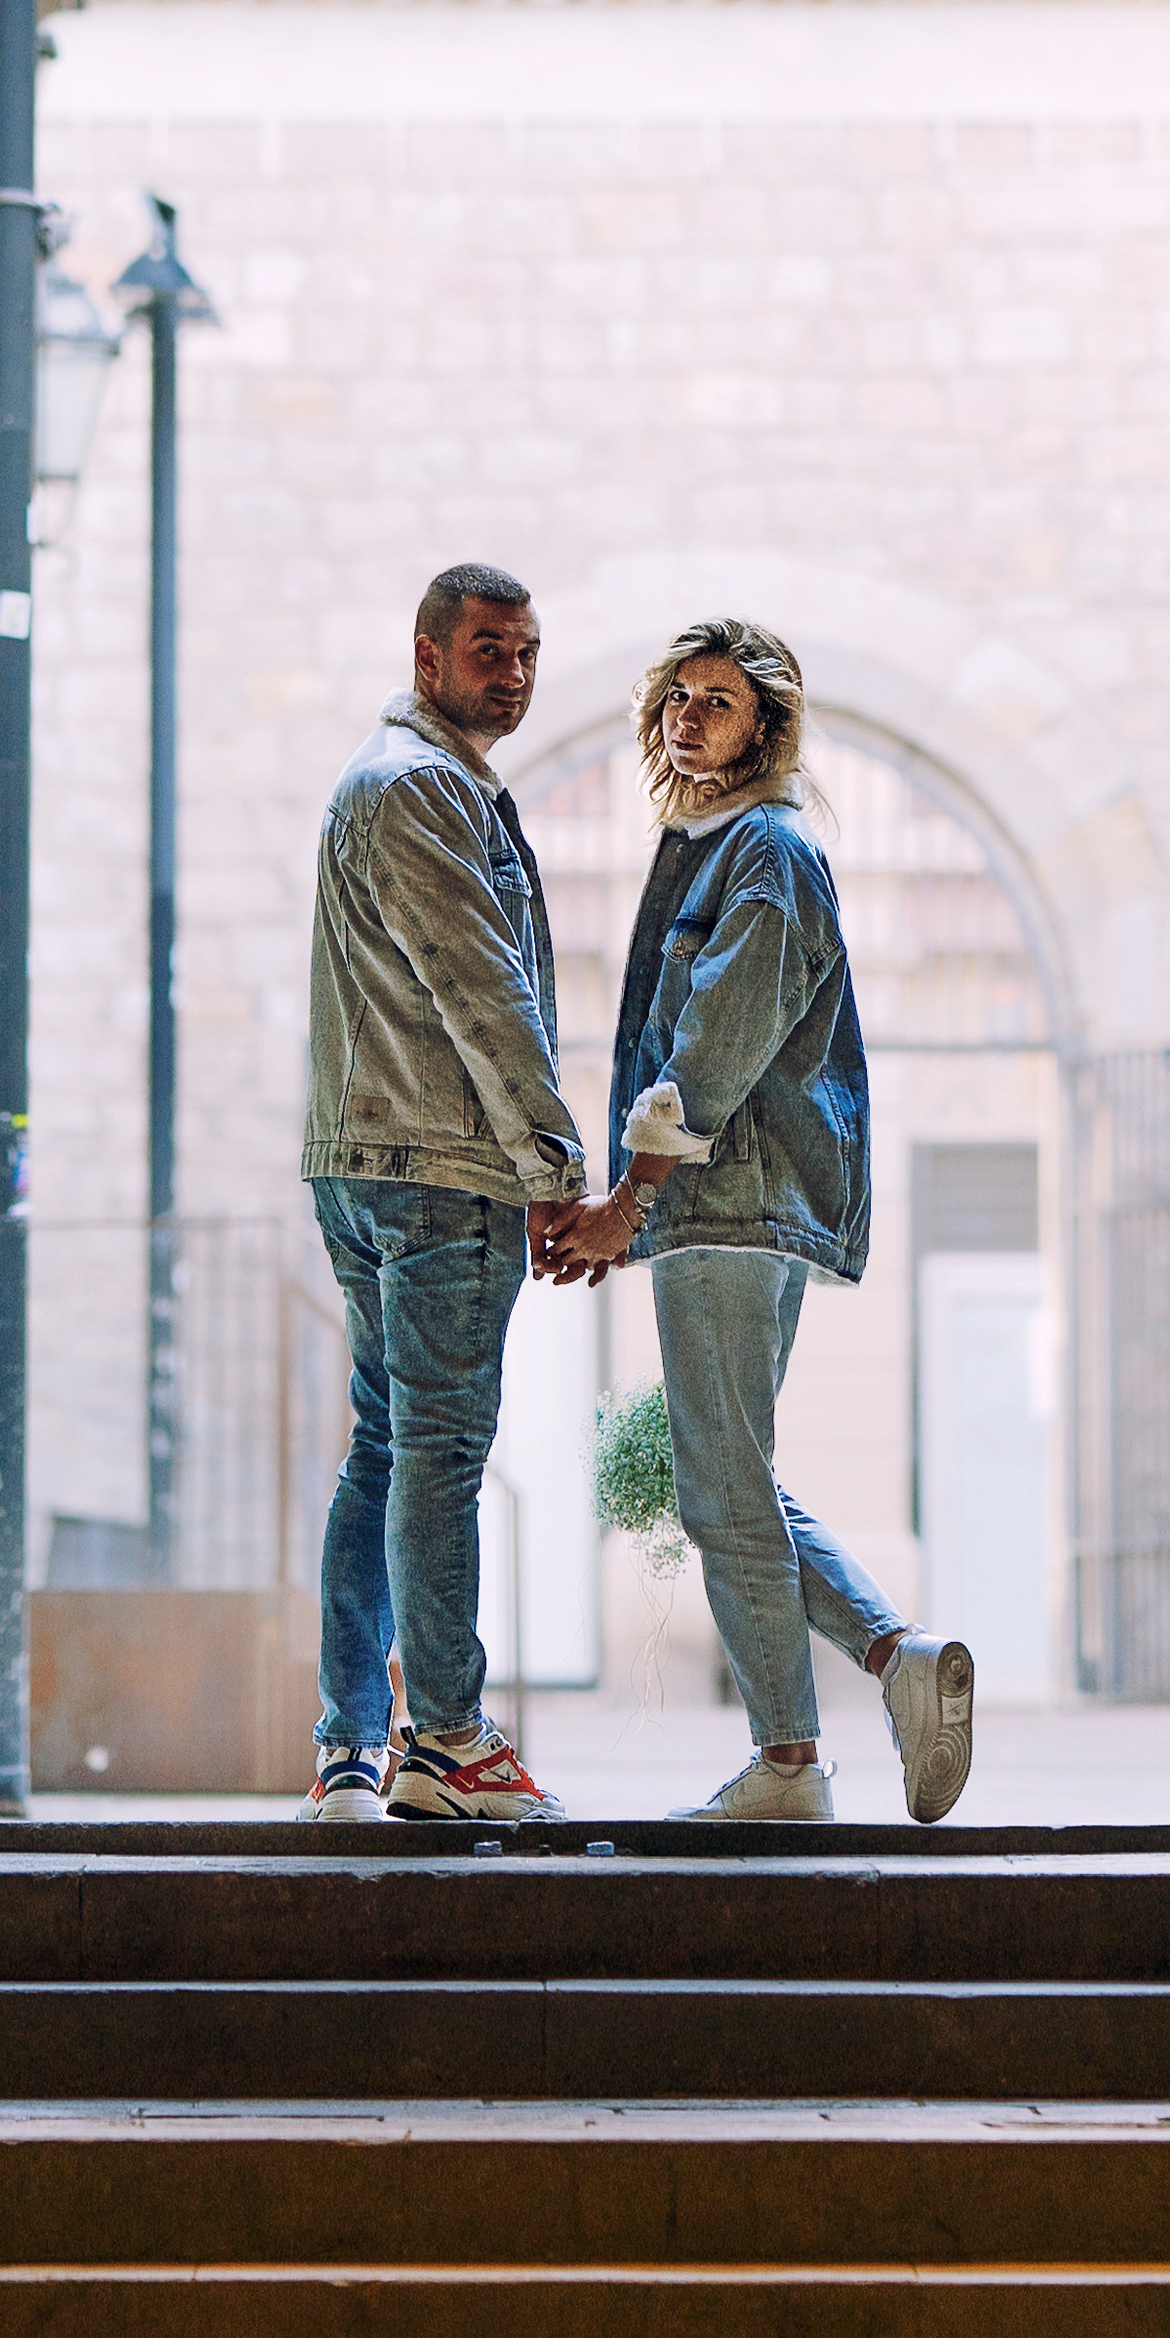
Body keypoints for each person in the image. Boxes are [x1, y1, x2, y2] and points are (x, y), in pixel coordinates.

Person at [535, 618, 976, 1825]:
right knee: (723, 1475)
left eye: (719, 701)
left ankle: (791, 1765)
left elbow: (713, 1046)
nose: (690, 716)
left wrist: (631, 1198)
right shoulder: (710, 849)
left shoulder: (768, 853)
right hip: (725, 1203)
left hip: (727, 1201)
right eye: (678, 697)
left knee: (720, 1489)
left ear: (768, 728)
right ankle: (895, 1665)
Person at [300, 562, 586, 1828]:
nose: (510, 671)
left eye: (524, 651)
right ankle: (450, 1743)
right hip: (436, 1175)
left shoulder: (400, 779)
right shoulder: (417, 787)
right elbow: (482, 992)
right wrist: (556, 1167)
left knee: (386, 1446)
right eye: (486, 649)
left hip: (366, 1164)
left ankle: (351, 1749)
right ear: (427, 656)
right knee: (438, 1455)